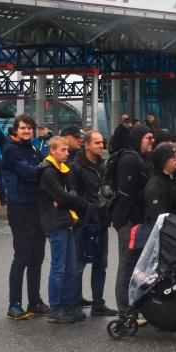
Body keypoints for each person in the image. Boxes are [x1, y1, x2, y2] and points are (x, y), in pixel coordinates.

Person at [2, 114, 49, 320]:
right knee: (21, 256)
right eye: (23, 128)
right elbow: (29, 172)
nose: (27, 131)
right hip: (20, 208)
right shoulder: (11, 150)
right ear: (15, 130)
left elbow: (41, 168)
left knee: (37, 257)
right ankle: (14, 304)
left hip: (37, 206)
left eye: (30, 128)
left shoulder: (32, 148)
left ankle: (35, 301)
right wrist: (46, 167)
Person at [39, 136, 87, 323]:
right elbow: (63, 195)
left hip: (66, 220)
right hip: (56, 222)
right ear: (52, 151)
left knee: (70, 266)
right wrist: (68, 197)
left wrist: (68, 197)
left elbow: (70, 194)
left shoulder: (63, 170)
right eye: (63, 150)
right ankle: (56, 307)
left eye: (67, 150)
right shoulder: (48, 172)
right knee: (59, 267)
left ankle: (68, 305)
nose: (67, 153)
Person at [110, 125, 154, 319]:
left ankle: (133, 307)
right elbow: (126, 193)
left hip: (134, 220)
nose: (152, 142)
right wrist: (127, 220)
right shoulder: (130, 159)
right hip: (129, 221)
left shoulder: (140, 158)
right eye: (148, 138)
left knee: (136, 266)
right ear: (138, 139)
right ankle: (125, 310)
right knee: (127, 266)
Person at [70, 129, 116, 316]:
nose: (101, 146)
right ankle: (74, 302)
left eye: (102, 142)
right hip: (84, 221)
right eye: (97, 143)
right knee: (78, 263)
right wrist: (89, 208)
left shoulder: (104, 166)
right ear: (86, 145)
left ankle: (98, 303)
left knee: (100, 263)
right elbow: (73, 194)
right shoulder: (76, 166)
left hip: (101, 221)